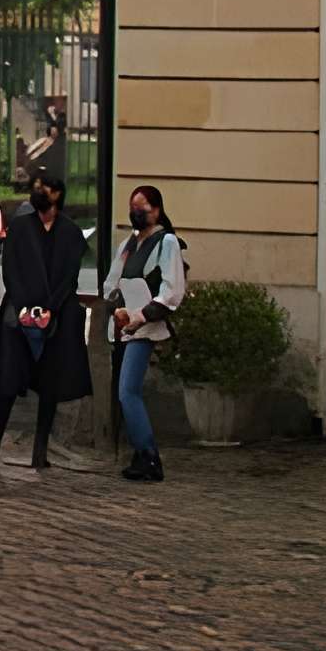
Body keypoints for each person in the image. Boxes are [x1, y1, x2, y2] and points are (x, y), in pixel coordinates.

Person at [0, 170, 92, 468]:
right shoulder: (19, 226)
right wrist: (26, 306)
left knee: (49, 386)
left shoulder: (70, 233)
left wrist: (50, 309)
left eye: (45, 187)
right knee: (8, 384)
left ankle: (40, 451)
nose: (38, 191)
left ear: (58, 195)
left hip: (56, 317)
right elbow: (10, 270)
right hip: (18, 316)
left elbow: (69, 278)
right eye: (37, 187)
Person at [104, 182, 190, 483]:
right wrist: (116, 309)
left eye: (142, 206)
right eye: (133, 206)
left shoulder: (166, 243)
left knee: (127, 392)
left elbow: (172, 291)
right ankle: (142, 456)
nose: (136, 211)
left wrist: (140, 316)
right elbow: (112, 281)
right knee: (126, 392)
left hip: (145, 327)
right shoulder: (127, 245)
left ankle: (149, 456)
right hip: (124, 326)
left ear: (156, 209)